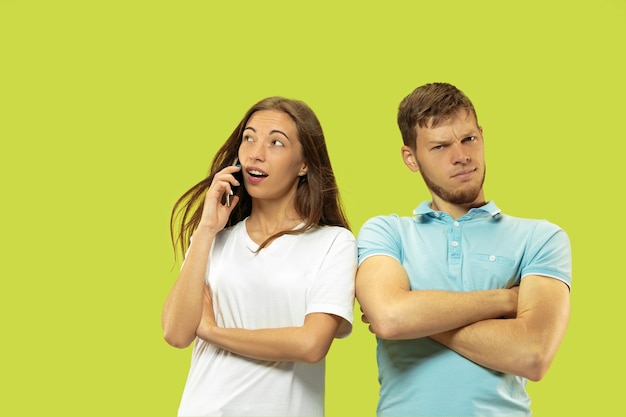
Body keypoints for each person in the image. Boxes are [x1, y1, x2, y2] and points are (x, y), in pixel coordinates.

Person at [355, 82, 572, 416]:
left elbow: (533, 354)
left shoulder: (540, 237)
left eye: (469, 139)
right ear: (410, 158)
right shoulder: (387, 232)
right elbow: (390, 316)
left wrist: (417, 319)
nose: (461, 157)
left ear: (482, 136)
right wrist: (504, 300)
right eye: (440, 146)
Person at [162, 97, 356, 417]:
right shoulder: (212, 241)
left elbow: (311, 344)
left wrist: (212, 332)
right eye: (249, 138)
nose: (256, 153)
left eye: (276, 143)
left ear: (304, 163)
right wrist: (207, 229)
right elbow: (176, 332)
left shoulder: (333, 243)